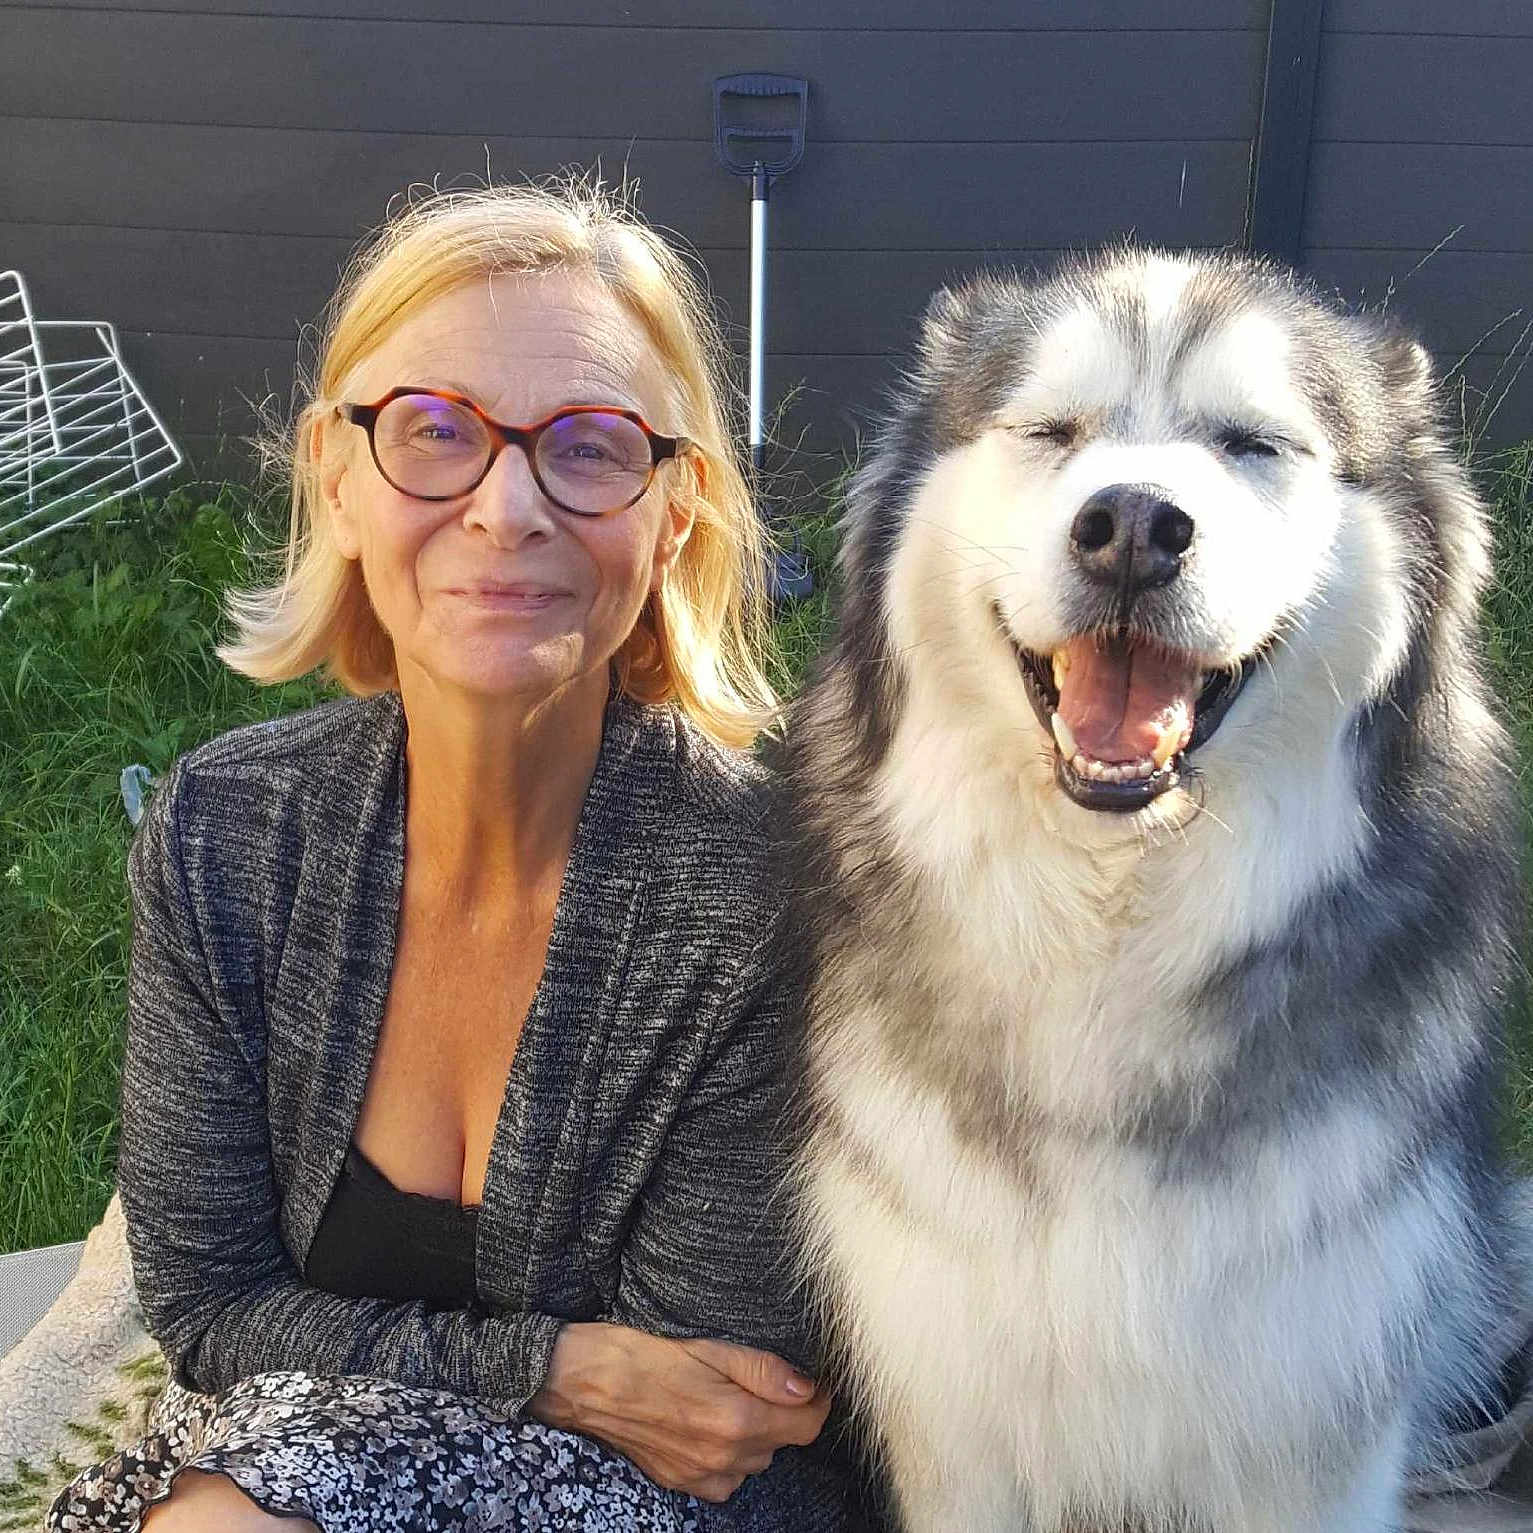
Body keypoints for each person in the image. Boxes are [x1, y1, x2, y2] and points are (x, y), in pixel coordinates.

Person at [47, 179, 855, 1533]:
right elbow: (202, 1305)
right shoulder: (225, 835)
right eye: (434, 431)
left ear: (677, 512)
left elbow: (713, 1418)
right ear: (337, 478)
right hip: (289, 1459)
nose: (505, 507)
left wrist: (324, 1423)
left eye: (589, 446)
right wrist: (559, 1365)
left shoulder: (785, 890)